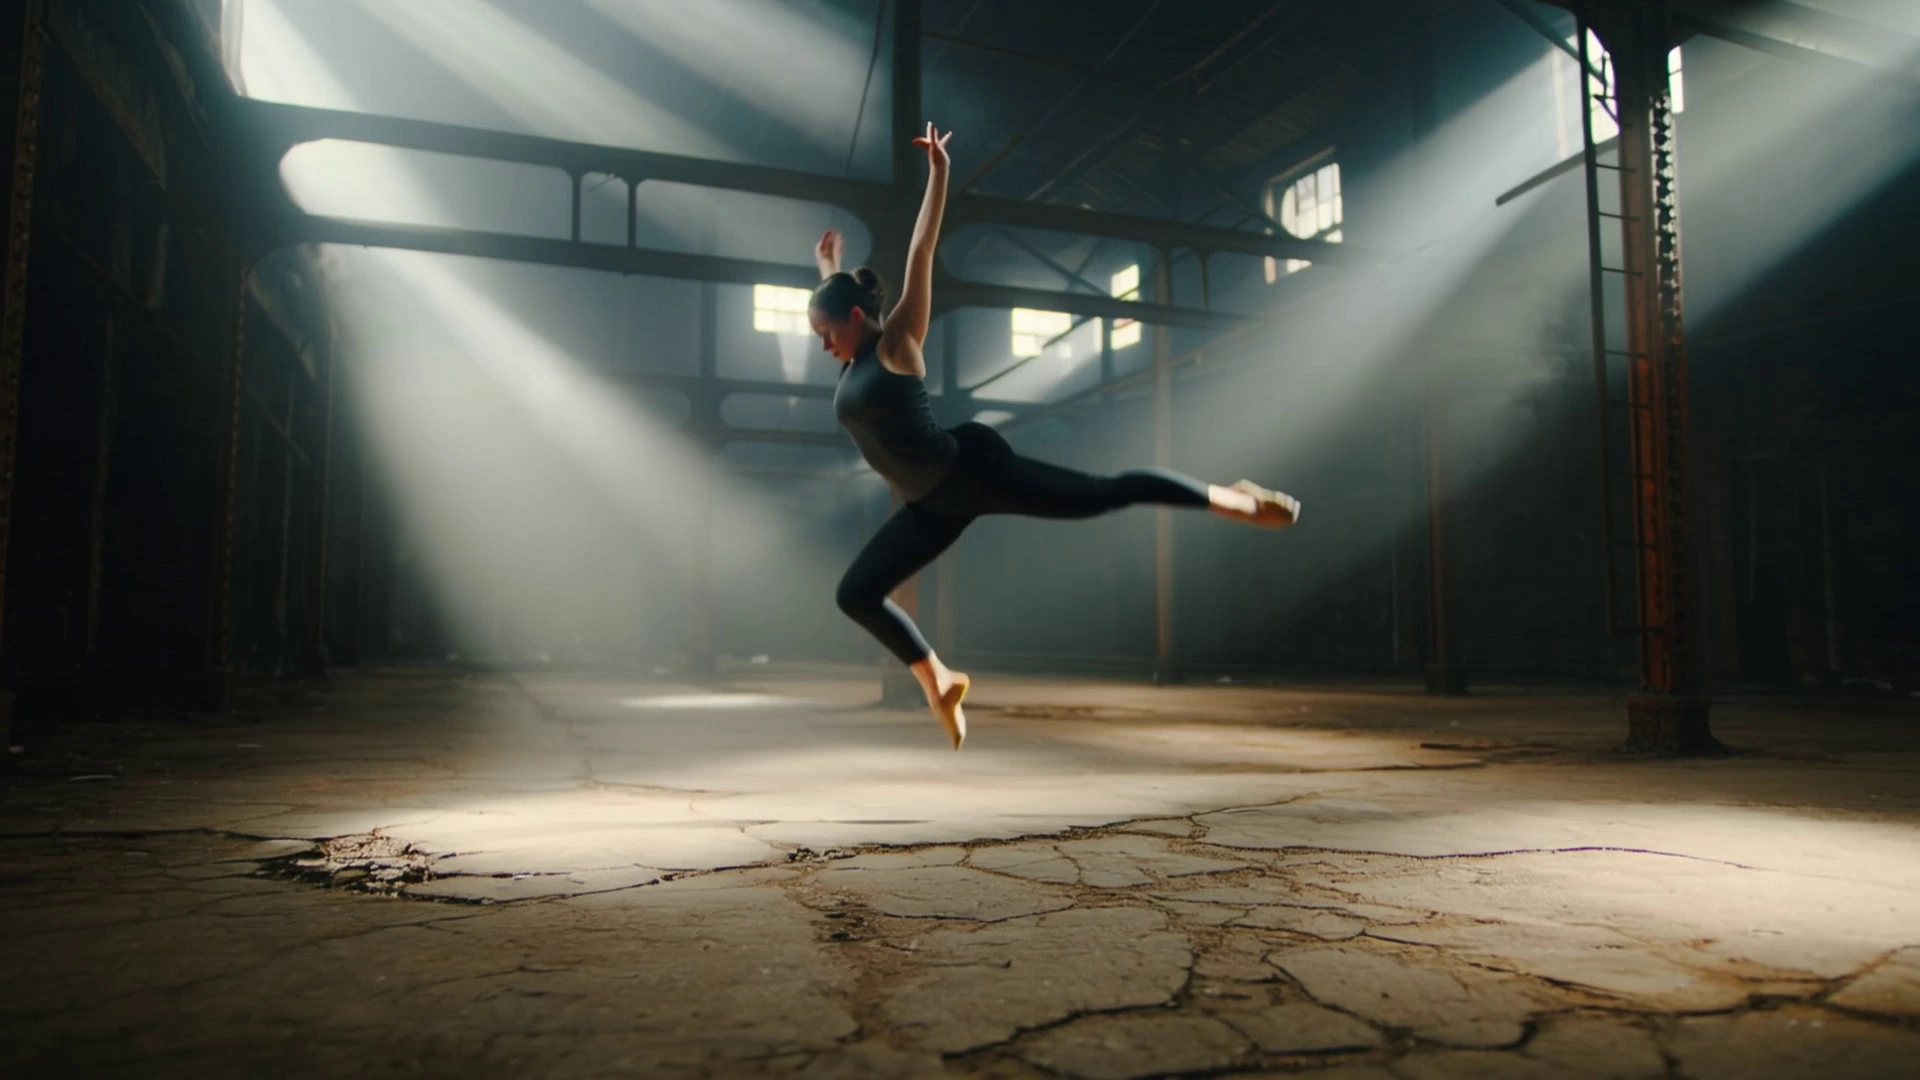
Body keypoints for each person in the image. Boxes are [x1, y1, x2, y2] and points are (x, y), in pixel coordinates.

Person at [810, 122, 1300, 751]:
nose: (823, 346)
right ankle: (940, 680)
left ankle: (1233, 499)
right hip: (930, 504)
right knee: (856, 594)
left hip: (971, 470)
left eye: (828, 332)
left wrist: (939, 174)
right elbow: (835, 304)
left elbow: (921, 253)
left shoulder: (898, 342)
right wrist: (826, 266)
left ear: (856, 319)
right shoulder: (850, 358)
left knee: (1101, 494)